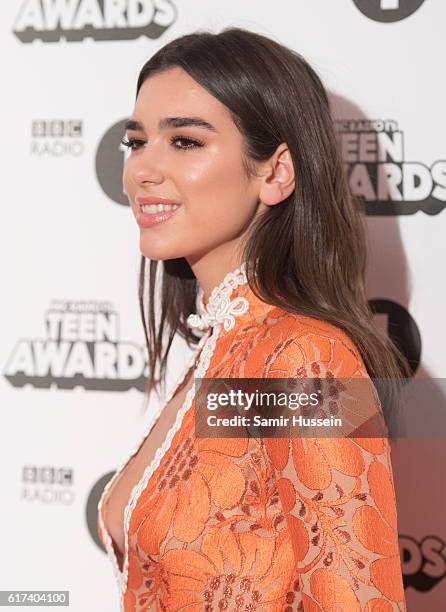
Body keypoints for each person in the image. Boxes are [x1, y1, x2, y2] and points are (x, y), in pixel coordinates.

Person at [97, 27, 409, 611]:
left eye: (186, 142)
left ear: (276, 172)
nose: (142, 169)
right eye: (136, 141)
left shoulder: (306, 360)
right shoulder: (224, 349)